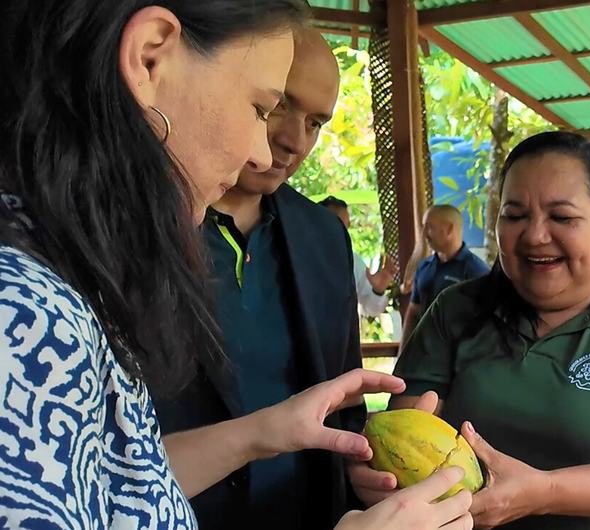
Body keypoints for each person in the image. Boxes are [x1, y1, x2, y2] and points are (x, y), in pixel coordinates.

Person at [0, 2, 470, 530]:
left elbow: (116, 481)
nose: (264, 151)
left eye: (314, 122)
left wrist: (263, 433)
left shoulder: (60, 267)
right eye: (261, 108)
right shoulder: (28, 315)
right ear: (151, 57)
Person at [386, 131, 590, 530]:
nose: (536, 236)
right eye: (516, 215)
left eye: (561, 217)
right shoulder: (456, 310)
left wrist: (544, 491)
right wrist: (382, 477)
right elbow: (403, 435)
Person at [150, 27, 381, 530]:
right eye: (273, 106)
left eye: (316, 123)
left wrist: (367, 469)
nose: (292, 140)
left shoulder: (323, 237)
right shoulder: (125, 225)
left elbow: (345, 398)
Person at [400, 204, 490, 341]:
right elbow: (413, 312)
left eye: (429, 227)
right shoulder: (424, 266)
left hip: (459, 356)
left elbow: (487, 323)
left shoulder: (476, 271)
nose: (424, 234)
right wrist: (403, 354)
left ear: (449, 229)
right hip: (425, 354)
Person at [320, 195, 396, 317]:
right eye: (338, 224)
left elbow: (371, 310)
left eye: (347, 226)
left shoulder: (353, 262)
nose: (343, 231)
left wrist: (378, 290)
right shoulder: (299, 256)